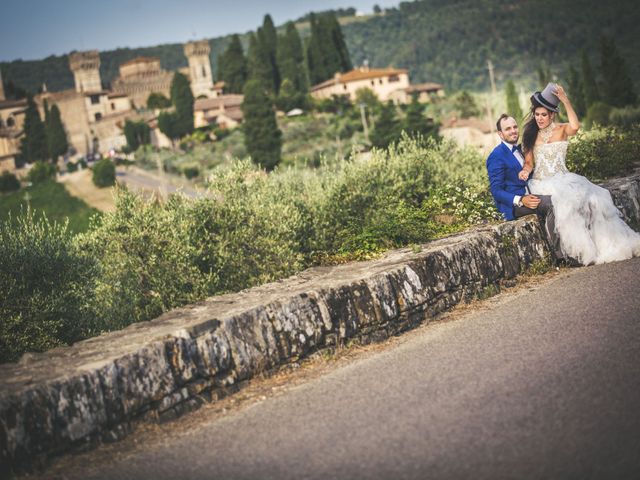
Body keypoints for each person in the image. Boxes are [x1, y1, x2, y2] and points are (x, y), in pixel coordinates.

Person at [518, 82, 640, 265]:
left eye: (544, 115)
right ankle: (575, 255)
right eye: (537, 114)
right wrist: (525, 171)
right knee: (564, 204)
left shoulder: (562, 130)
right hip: (542, 181)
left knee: (595, 199)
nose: (540, 118)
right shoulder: (530, 134)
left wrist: (565, 100)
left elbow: (575, 126)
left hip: (564, 178)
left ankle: (602, 245)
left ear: (552, 115)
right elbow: (529, 163)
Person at [486, 113, 562, 259]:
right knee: (551, 203)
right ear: (500, 134)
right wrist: (521, 200)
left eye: (515, 127)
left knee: (565, 197)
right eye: (508, 129)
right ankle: (560, 255)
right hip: (515, 205)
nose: (513, 131)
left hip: (533, 191)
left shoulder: (521, 149)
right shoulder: (496, 156)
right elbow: (496, 191)